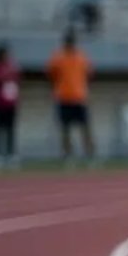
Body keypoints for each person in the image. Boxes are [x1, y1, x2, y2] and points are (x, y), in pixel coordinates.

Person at [48, 31, 95, 163]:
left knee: (85, 127)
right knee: (65, 128)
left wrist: (83, 88)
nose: (70, 45)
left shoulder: (81, 57)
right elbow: (51, 76)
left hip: (79, 97)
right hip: (63, 97)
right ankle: (68, 154)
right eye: (68, 42)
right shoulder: (58, 57)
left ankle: (90, 154)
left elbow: (89, 75)